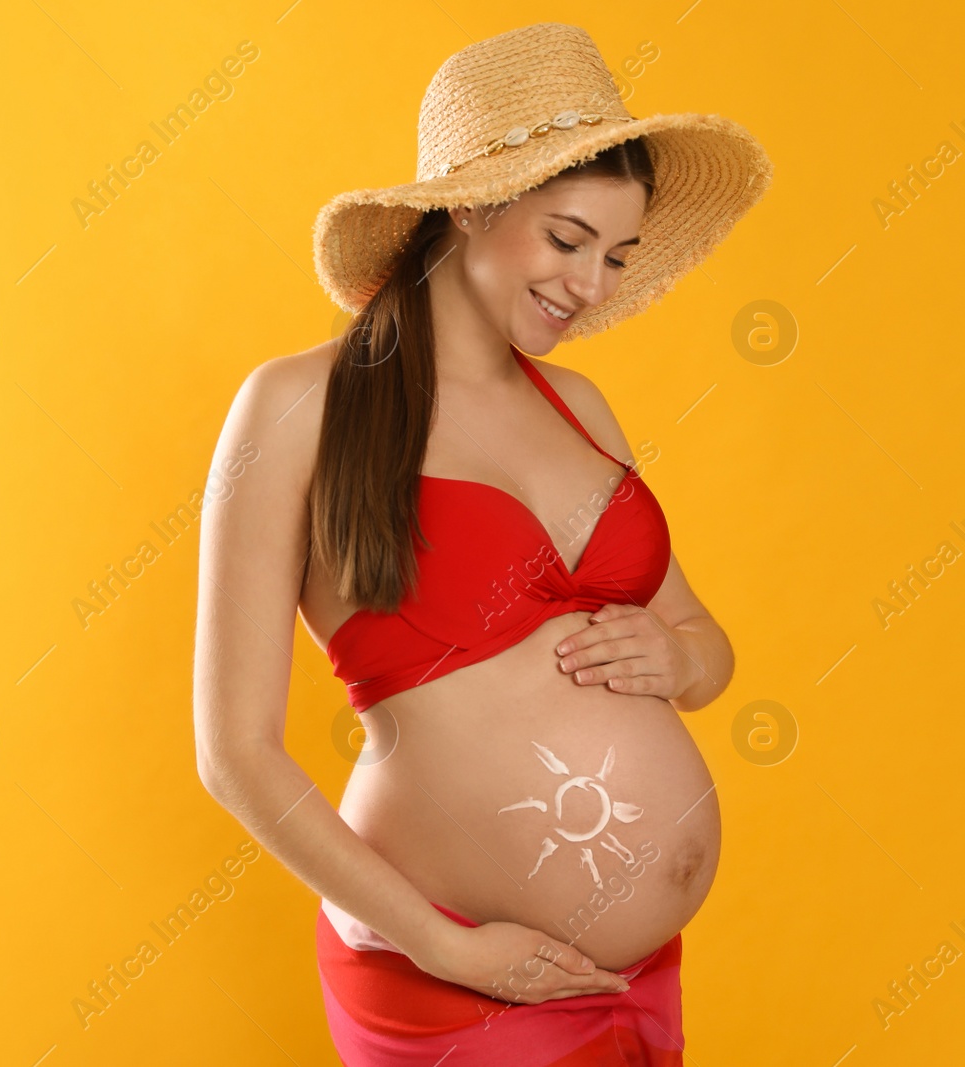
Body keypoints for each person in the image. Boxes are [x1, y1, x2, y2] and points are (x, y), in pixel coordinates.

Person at [193, 22, 771, 1065]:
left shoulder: (581, 405)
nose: (591, 285)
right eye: (566, 238)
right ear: (470, 203)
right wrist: (439, 942)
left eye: (616, 255)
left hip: (638, 976)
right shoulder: (295, 406)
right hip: (449, 978)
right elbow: (234, 751)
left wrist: (681, 655)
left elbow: (703, 644)